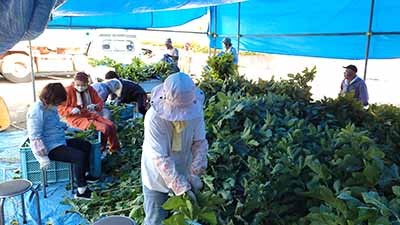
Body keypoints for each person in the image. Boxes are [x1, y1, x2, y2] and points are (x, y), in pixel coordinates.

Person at [141, 72, 208, 225]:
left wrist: (195, 171)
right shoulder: (154, 118)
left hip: (183, 164)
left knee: (182, 215)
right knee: (156, 217)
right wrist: (181, 186)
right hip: (156, 174)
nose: (182, 116)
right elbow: (160, 158)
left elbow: (199, 143)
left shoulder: (196, 110)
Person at [26, 83, 93, 199]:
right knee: (79, 156)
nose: (59, 105)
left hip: (59, 140)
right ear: (53, 98)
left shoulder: (49, 107)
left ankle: (83, 175)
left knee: (85, 145)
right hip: (50, 148)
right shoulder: (36, 111)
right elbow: (34, 137)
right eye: (58, 102)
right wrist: (42, 157)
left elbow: (55, 123)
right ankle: (81, 191)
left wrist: (71, 129)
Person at [58, 72, 120, 153]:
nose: (80, 87)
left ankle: (115, 150)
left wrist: (95, 106)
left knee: (111, 125)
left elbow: (100, 102)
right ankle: (100, 150)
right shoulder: (67, 90)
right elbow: (59, 108)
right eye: (78, 85)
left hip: (89, 114)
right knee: (104, 128)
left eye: (83, 85)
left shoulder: (90, 89)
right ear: (74, 82)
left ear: (87, 83)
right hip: (75, 118)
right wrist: (71, 110)